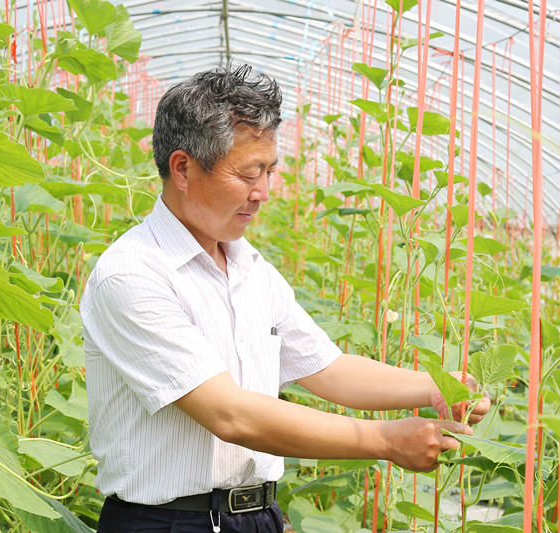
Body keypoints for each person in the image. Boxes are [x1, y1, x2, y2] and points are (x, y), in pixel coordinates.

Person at [81, 64, 491, 533]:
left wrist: (436, 387)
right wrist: (385, 440)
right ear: (183, 169)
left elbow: (329, 369)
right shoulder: (133, 274)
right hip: (168, 523)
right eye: (248, 173)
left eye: (270, 171)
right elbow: (230, 415)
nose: (263, 193)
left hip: (258, 517)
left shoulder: (250, 268)